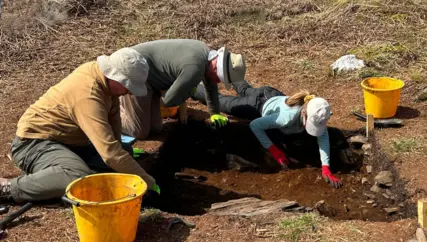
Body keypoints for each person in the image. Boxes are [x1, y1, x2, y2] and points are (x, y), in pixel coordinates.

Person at [0, 48, 161, 203]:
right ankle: (8, 188)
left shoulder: (102, 79)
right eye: (128, 86)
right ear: (115, 76)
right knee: (77, 175)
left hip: (68, 143)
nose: (130, 92)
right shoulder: (88, 95)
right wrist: (147, 181)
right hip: (33, 144)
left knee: (124, 152)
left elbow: (114, 124)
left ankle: (53, 175)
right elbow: (110, 153)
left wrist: (121, 152)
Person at [192, 80, 342, 188]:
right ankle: (191, 89)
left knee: (244, 89)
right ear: (304, 112)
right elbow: (255, 125)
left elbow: (322, 136)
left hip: (270, 95)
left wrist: (325, 166)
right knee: (222, 102)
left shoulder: (321, 110)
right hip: (258, 104)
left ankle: (232, 75)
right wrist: (274, 150)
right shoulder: (285, 118)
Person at [121, 39, 247, 139]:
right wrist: (188, 91)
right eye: (220, 78)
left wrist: (215, 113)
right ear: (216, 68)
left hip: (152, 80)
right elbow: (167, 101)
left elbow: (211, 86)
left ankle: (125, 109)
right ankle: (109, 115)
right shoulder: (194, 68)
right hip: (133, 69)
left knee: (155, 129)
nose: (218, 82)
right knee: (139, 132)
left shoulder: (207, 55)